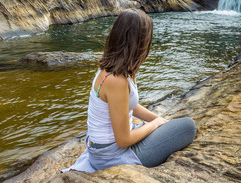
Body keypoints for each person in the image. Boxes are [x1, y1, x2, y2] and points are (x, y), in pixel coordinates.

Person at [62, 9, 196, 173]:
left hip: (102, 148)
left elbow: (130, 106)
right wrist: (155, 124)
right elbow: (123, 140)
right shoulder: (116, 81)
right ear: (140, 43)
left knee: (171, 126)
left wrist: (159, 119)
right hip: (112, 156)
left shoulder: (112, 68)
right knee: (188, 126)